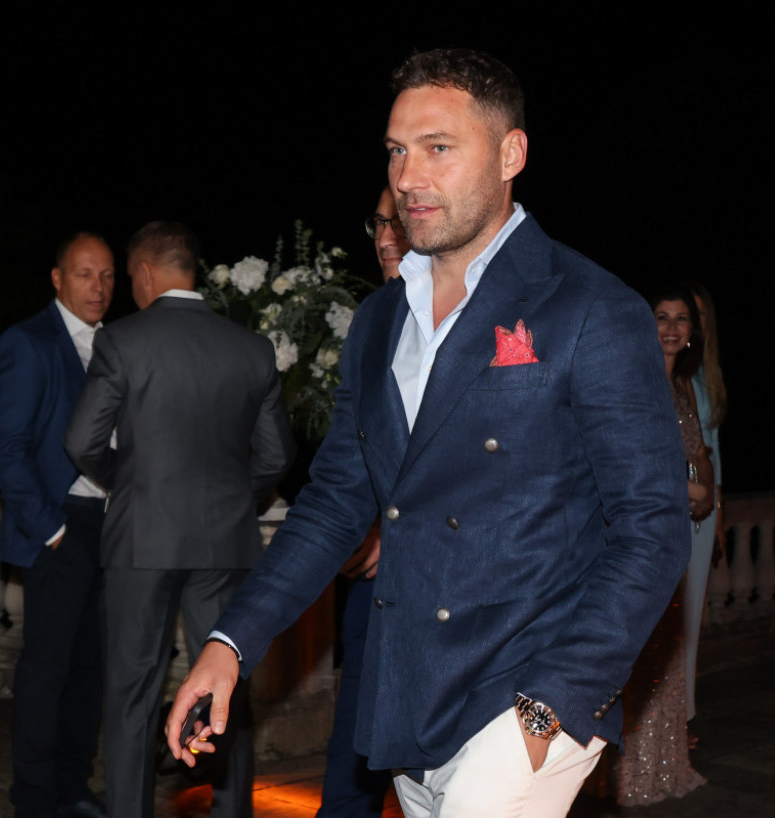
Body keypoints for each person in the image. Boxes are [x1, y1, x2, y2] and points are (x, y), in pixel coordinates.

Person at [167, 48, 691, 818]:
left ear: (510, 154)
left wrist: (552, 706)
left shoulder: (590, 308)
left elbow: (653, 526)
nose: (408, 176)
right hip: (413, 693)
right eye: (396, 151)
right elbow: (334, 504)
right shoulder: (380, 321)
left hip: (525, 695)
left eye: (438, 147)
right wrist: (231, 642)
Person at [64, 221, 295, 818]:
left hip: (142, 538)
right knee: (224, 688)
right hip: (223, 542)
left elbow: (82, 441)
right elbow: (276, 457)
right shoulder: (251, 348)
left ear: (144, 272)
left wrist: (130, 484)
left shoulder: (123, 341)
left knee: (132, 692)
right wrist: (231, 498)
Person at [0, 232, 114, 818]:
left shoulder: (116, 343)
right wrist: (51, 529)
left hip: (109, 524)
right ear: (58, 279)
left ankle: (73, 787)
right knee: (46, 673)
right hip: (59, 526)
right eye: (85, 274)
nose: (98, 286)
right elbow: (6, 449)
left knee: (90, 669)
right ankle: (35, 799)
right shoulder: (27, 342)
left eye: (107, 275)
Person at [316, 190, 412, 818]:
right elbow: (351, 459)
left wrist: (390, 529)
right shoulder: (374, 322)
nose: (383, 237)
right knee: (356, 733)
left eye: (395, 222)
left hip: (450, 595)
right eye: (378, 222)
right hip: (370, 584)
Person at [608, 287, 711, 806]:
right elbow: (626, 465)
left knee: (666, 650)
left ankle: (661, 765)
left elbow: (699, 456)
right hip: (638, 536)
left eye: (681, 319)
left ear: (692, 332)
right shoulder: (634, 382)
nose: (671, 327)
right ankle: (624, 773)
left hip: (672, 536)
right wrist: (690, 490)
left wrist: (704, 487)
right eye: (661, 317)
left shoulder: (682, 390)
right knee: (636, 647)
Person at [682, 280, 727, 738]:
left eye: (698, 312)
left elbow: (714, 449)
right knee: (668, 617)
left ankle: (686, 712)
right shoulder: (666, 370)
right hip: (674, 502)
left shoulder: (706, 377)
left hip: (705, 507)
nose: (691, 322)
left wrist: (719, 515)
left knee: (692, 614)